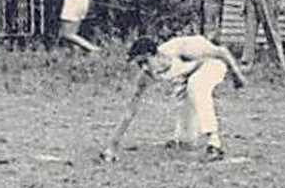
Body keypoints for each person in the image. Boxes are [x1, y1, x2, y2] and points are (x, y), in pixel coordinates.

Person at [101, 34, 247, 163]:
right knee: (187, 142)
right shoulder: (147, 75)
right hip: (187, 75)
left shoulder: (183, 50)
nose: (144, 68)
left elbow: (222, 52)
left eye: (146, 62)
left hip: (212, 63)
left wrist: (237, 77)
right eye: (140, 64)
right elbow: (131, 110)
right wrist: (112, 145)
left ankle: (214, 145)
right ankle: (183, 139)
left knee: (197, 86)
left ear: (157, 55)